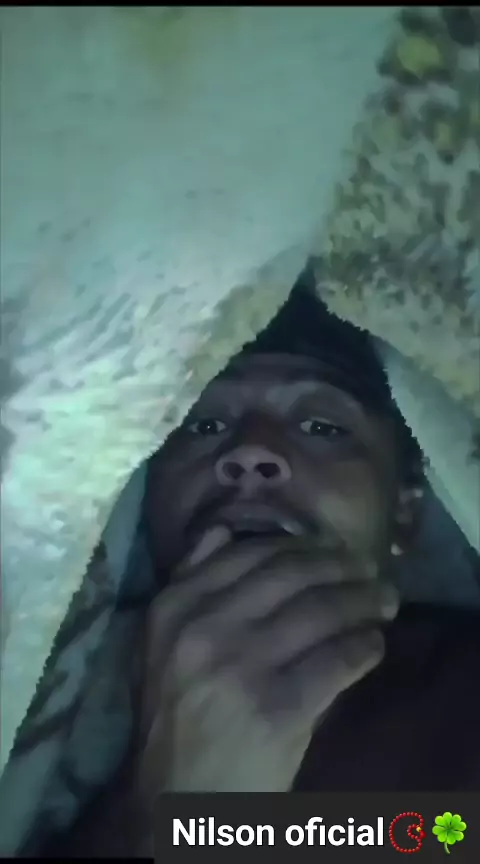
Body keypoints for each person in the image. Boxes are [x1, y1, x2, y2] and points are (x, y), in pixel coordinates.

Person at [40, 271, 480, 856]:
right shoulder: (45, 707)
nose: (251, 450)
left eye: (322, 427)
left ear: (404, 512)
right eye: (205, 425)